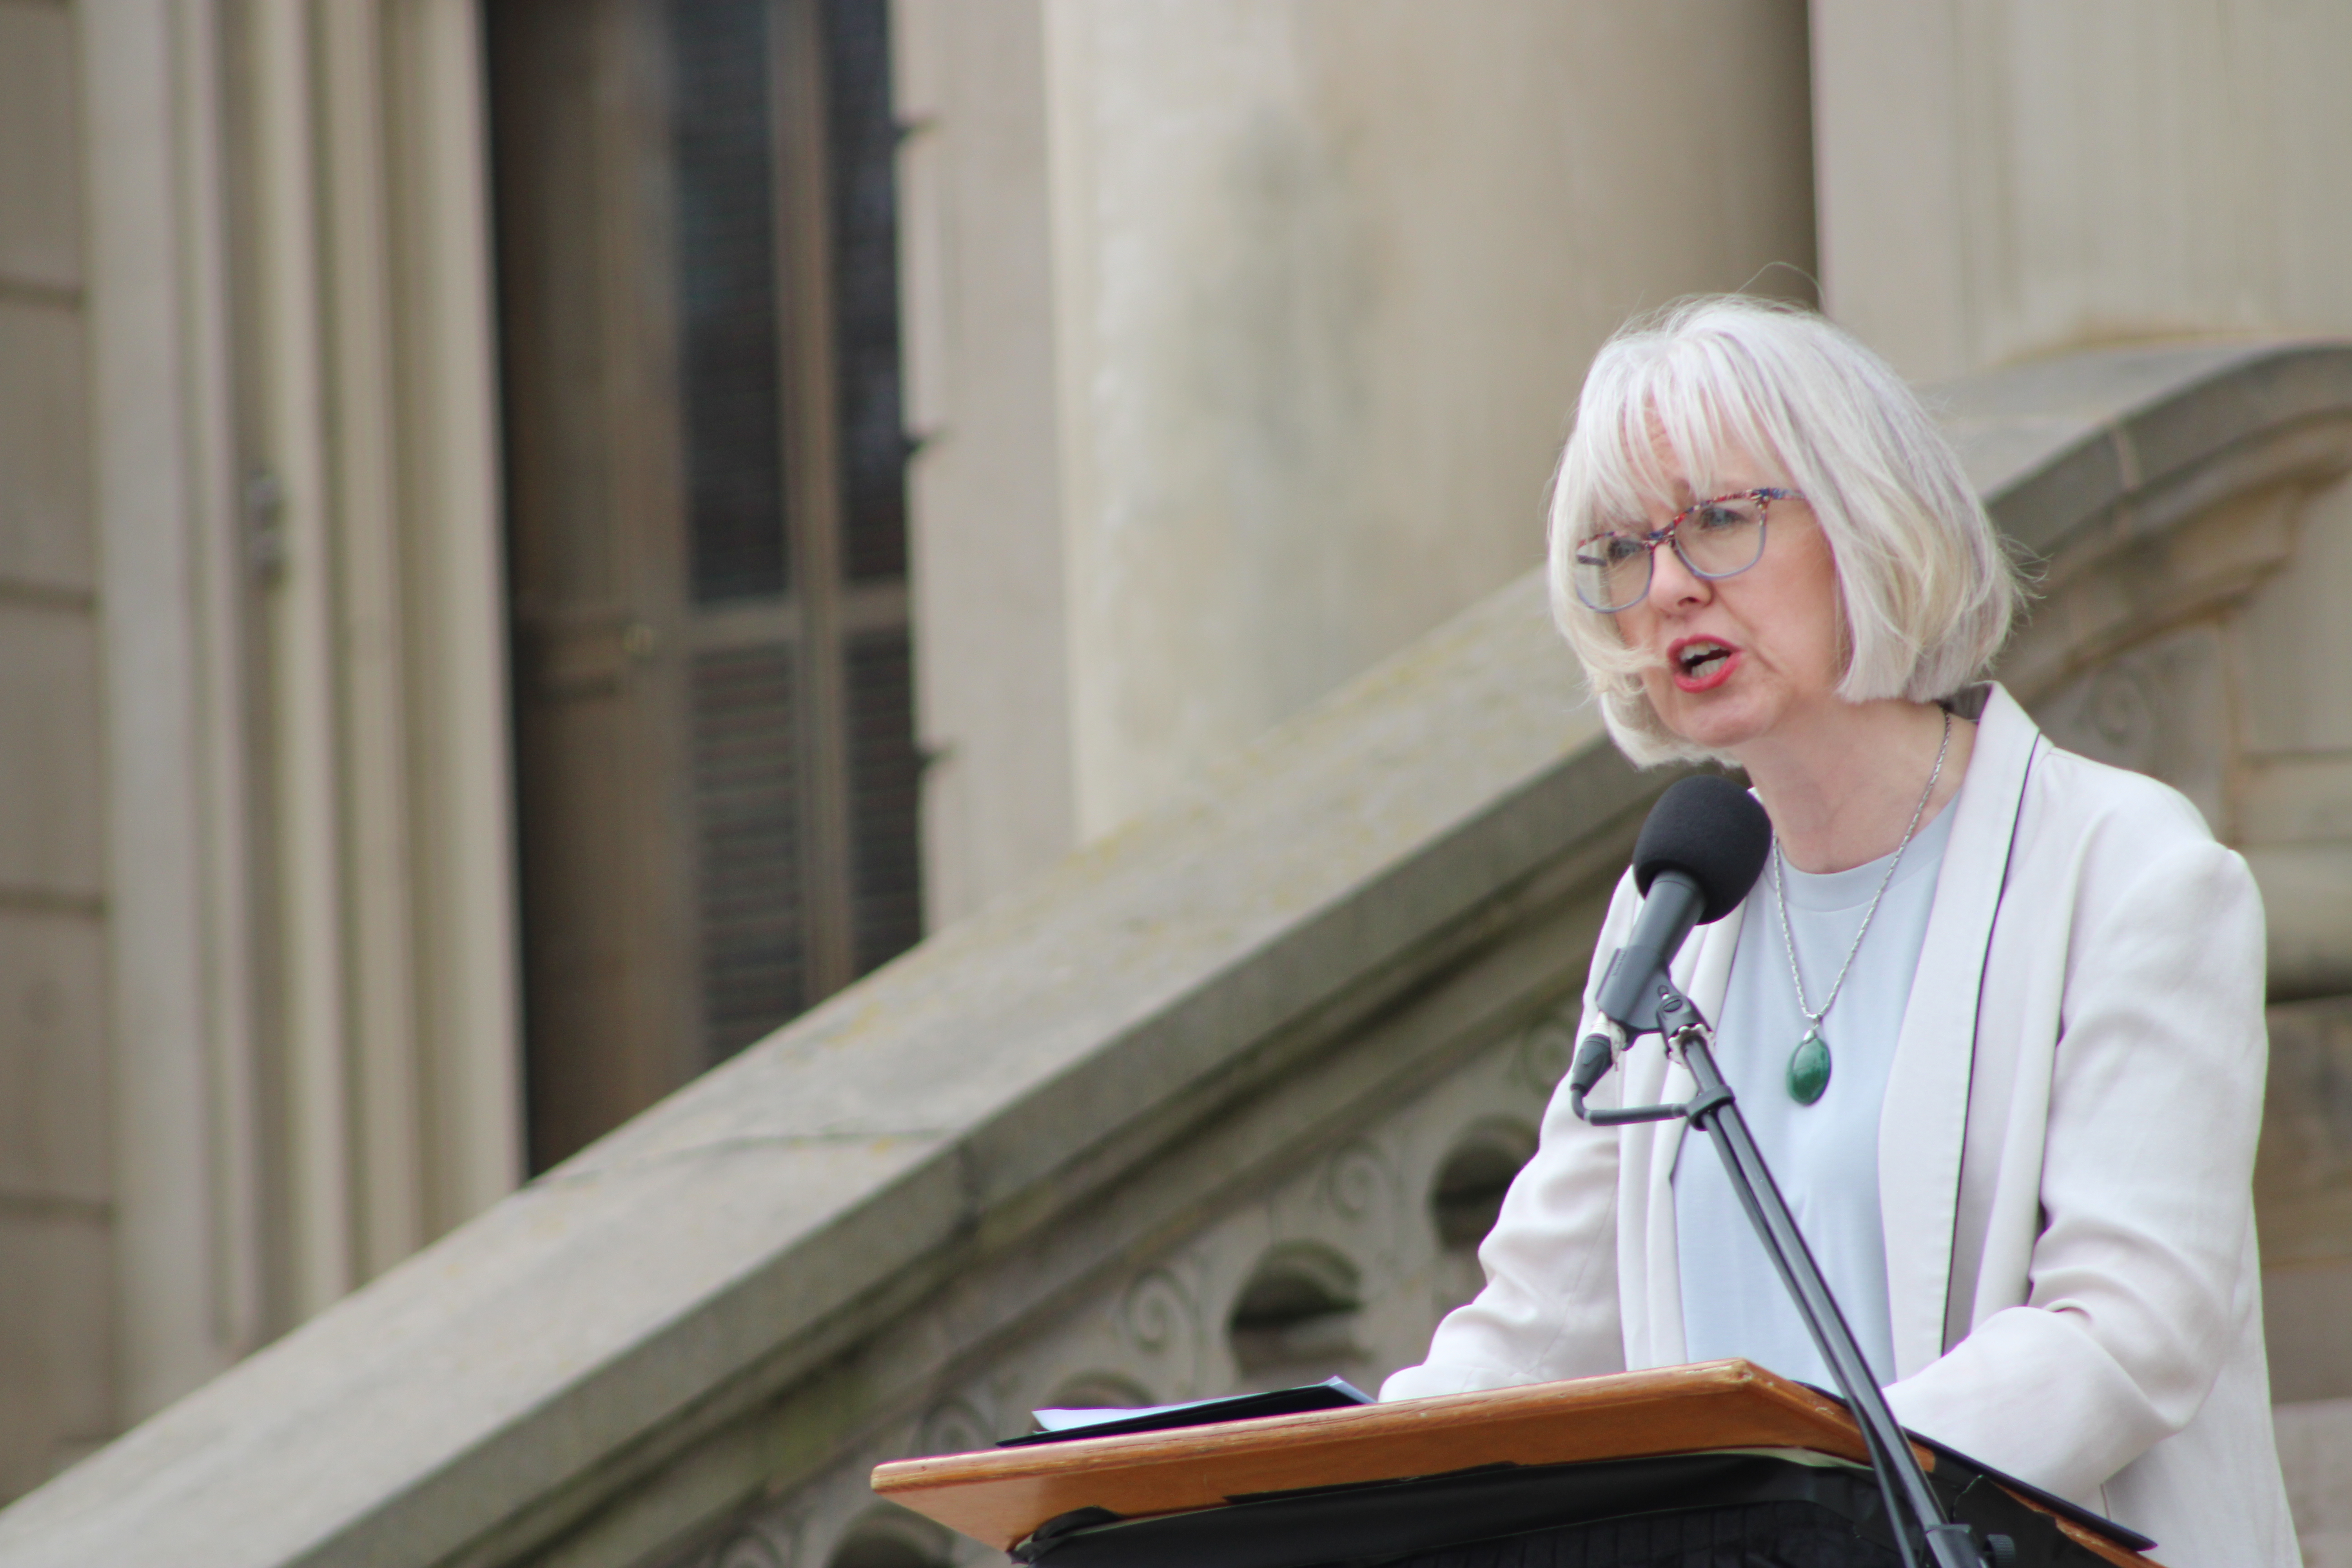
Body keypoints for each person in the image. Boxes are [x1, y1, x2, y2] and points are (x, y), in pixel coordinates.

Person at [1379, 296, 2297, 1567]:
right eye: (1624, 550)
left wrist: (1799, 1500)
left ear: (1867, 519)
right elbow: (1536, 1329)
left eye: (1720, 520)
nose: (1669, 587)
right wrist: (1309, 1486)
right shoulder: (1675, 911)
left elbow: (2126, 1333)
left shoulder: (2125, 871)